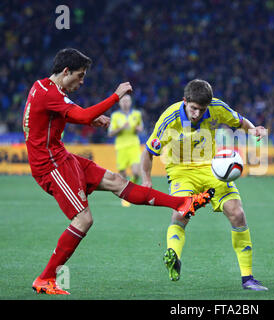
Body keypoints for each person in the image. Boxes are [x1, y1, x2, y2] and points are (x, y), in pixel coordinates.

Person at [23, 48, 214, 295]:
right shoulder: (51, 93)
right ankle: (46, 278)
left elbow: (55, 114)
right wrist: (114, 97)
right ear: (66, 71)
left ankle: (182, 203)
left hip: (62, 157)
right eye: (80, 76)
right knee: (83, 220)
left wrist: (90, 119)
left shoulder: (44, 88)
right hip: (50, 166)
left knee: (116, 180)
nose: (82, 82)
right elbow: (78, 114)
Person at [141, 79, 268, 291]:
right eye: (193, 108)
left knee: (237, 214)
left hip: (211, 169)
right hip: (181, 171)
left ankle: (248, 278)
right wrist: (146, 179)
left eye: (201, 110)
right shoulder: (169, 118)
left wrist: (253, 130)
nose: (197, 114)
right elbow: (148, 152)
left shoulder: (216, 107)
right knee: (181, 213)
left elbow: (239, 121)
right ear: (185, 101)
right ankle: (174, 257)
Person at [108, 94, 143, 207]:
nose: (125, 103)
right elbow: (110, 133)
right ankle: (126, 196)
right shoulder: (115, 116)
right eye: (123, 101)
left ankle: (129, 191)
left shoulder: (136, 114)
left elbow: (141, 128)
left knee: (137, 173)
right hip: (121, 147)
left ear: (130, 102)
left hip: (133, 145)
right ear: (119, 103)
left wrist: (137, 128)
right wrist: (122, 127)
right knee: (122, 174)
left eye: (127, 101)